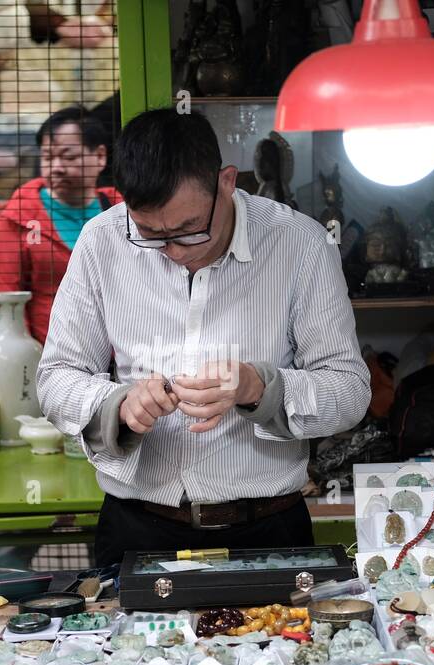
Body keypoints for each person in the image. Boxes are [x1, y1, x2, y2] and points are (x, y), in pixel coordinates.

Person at [37, 109, 370, 566]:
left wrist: (260, 389)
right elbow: (56, 378)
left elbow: (350, 390)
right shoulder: (103, 242)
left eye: (189, 230)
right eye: (151, 235)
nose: (173, 251)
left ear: (227, 182)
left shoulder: (299, 244)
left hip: (267, 530)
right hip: (138, 528)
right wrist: (117, 405)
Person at [0, 106, 120, 344]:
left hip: (121, 356)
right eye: (48, 157)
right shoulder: (16, 220)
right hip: (50, 357)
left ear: (100, 156)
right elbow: (6, 306)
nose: (56, 167)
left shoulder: (121, 210)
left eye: (68, 157)